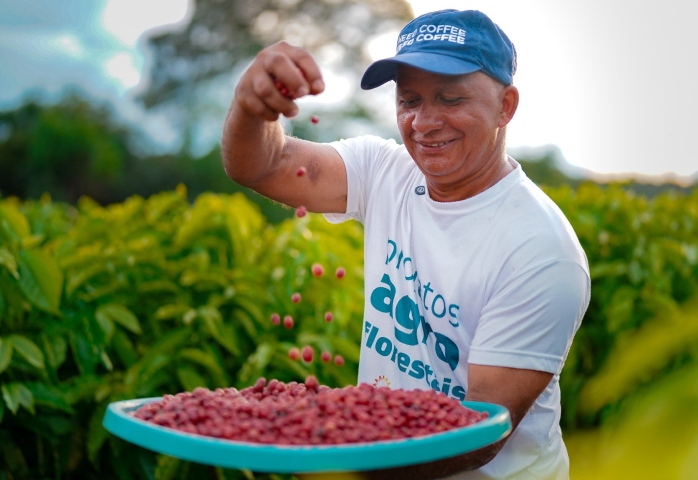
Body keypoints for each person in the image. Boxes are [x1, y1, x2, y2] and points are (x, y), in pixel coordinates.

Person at [221, 8, 590, 480]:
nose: (424, 122)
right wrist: (252, 107)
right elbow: (263, 165)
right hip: (386, 456)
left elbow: (480, 433)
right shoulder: (386, 171)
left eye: (450, 98)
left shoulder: (539, 251)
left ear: (506, 107)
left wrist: (331, 456)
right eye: (409, 100)